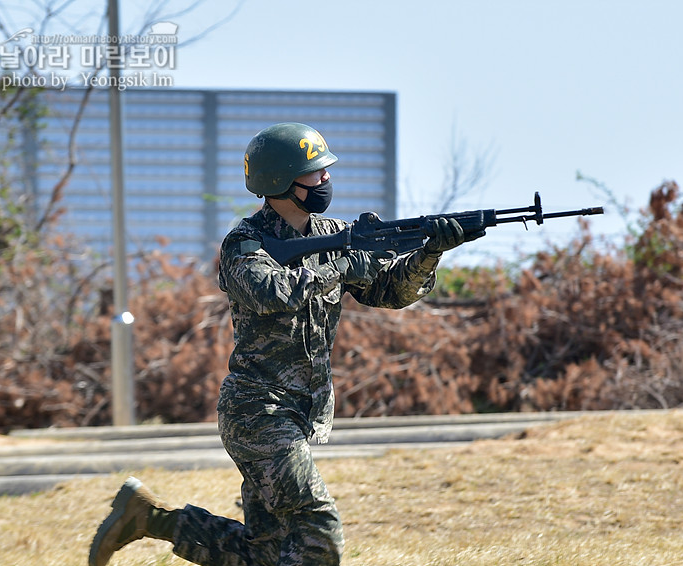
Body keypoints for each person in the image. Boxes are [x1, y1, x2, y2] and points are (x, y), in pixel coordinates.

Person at [89, 122, 481, 566]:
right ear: (280, 182)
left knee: (266, 553)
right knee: (318, 530)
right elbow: (272, 294)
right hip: (257, 412)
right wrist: (338, 267)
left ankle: (145, 518)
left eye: (326, 171)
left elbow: (390, 293)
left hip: (302, 411)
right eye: (314, 173)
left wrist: (431, 252)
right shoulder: (245, 243)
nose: (325, 180)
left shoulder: (337, 233)